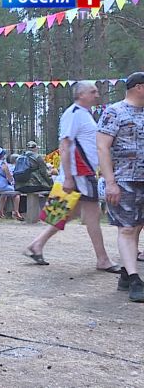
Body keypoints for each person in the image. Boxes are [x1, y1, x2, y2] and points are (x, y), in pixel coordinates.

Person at [24, 81, 119, 272]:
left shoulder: (84, 114)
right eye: (93, 91)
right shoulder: (73, 114)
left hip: (82, 173)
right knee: (92, 215)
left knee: (71, 212)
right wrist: (68, 176)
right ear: (81, 94)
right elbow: (65, 145)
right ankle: (102, 259)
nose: (97, 95)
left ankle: (37, 244)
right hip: (79, 173)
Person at [96, 72, 144, 302]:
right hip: (124, 179)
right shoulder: (114, 112)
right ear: (139, 87)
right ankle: (135, 280)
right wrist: (110, 182)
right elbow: (102, 147)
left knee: (137, 227)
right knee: (126, 228)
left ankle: (126, 273)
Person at [0, 147, 22, 220]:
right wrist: (12, 182)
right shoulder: (3, 164)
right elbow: (8, 176)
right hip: (2, 185)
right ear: (2, 155)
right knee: (16, 193)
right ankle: (16, 211)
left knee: (4, 194)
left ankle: (0, 211)